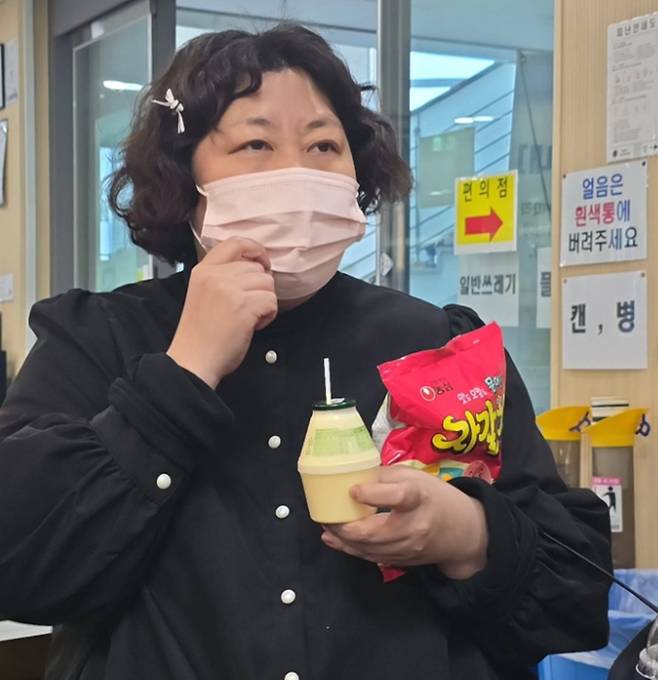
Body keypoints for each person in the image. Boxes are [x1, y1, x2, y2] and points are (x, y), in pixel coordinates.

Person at [0, 23, 612, 680]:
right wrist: (186, 369)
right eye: (256, 143)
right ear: (183, 174)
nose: (296, 172)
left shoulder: (437, 343)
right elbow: (22, 567)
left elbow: (576, 596)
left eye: (323, 144)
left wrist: (468, 535)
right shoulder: (98, 340)